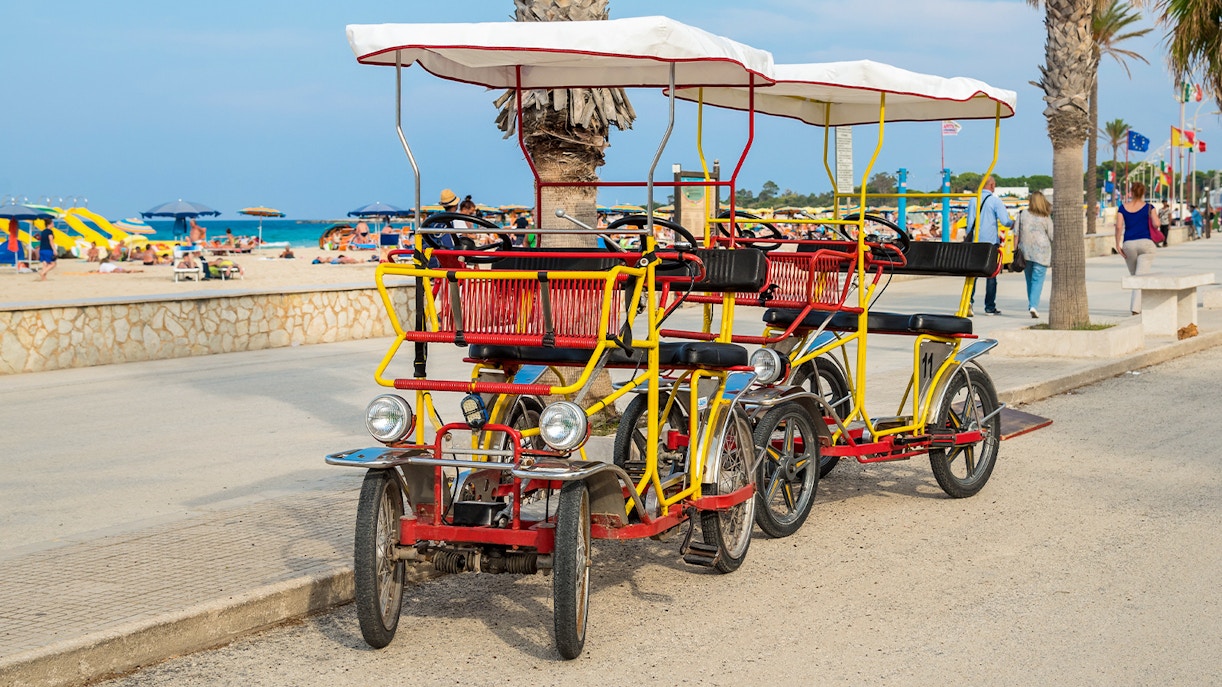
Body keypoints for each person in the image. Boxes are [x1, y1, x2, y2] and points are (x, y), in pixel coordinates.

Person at [965, 175, 1014, 315]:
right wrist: (1014, 224)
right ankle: (989, 307)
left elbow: (970, 223)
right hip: (990, 243)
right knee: (991, 275)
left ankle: (969, 302)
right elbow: (1005, 221)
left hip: (975, 242)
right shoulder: (995, 201)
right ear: (991, 185)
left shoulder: (973, 200)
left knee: (973, 275)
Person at [1115, 181, 1159, 316]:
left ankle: (1138, 306)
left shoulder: (1122, 208)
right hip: (1146, 244)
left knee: (1136, 276)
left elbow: (1118, 226)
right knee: (1140, 277)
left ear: (1131, 192)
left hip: (1129, 244)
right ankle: (1136, 308)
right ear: (1143, 192)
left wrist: (1117, 244)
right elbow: (1156, 224)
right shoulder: (1149, 207)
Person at [1014, 191, 1054, 319]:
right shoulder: (1045, 217)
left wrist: (1015, 250)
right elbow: (1052, 235)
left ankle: (1032, 304)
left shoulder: (1022, 214)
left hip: (1025, 252)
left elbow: (1016, 234)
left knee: (1029, 280)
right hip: (1042, 253)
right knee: (1037, 280)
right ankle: (1033, 306)